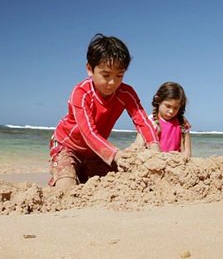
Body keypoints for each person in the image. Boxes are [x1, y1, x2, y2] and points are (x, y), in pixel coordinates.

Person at [49, 33, 160, 189]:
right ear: (90, 69)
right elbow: (89, 133)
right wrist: (114, 154)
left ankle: (83, 173)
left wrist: (154, 147)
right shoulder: (81, 93)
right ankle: (62, 176)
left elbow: (142, 120)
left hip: (95, 152)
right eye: (106, 75)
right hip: (67, 146)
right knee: (66, 187)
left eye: (119, 75)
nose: (112, 82)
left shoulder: (126, 93)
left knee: (122, 178)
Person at [134, 82, 192, 158]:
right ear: (158, 100)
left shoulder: (182, 122)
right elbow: (138, 147)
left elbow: (187, 151)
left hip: (174, 164)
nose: (171, 111)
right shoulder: (150, 122)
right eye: (168, 106)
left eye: (176, 108)